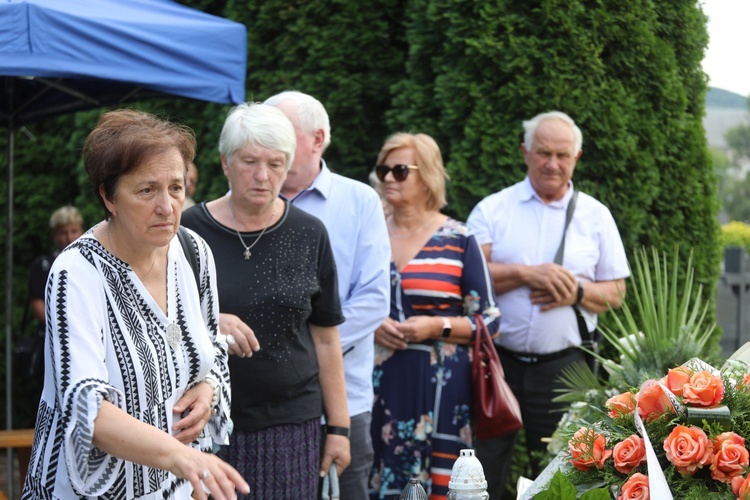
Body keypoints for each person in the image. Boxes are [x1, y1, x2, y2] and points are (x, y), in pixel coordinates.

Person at [21, 109, 249, 499]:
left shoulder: (195, 252)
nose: (167, 206)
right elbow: (89, 410)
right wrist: (183, 458)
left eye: (176, 188)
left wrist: (209, 388)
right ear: (108, 197)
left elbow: (213, 348)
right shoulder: (76, 273)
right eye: (147, 190)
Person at [181, 102, 351, 498]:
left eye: (276, 164)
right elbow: (157, 317)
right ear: (225, 162)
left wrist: (339, 429)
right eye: (249, 161)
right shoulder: (187, 232)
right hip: (203, 423)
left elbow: (326, 339)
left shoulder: (310, 233)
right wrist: (211, 321)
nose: (262, 176)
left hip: (291, 426)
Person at [466, 111, 630, 499]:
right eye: (543, 152)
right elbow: (470, 279)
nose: (552, 163)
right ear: (525, 152)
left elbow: (617, 292)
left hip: (564, 369)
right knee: (481, 469)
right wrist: (526, 274)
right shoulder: (493, 209)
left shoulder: (596, 216)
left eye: (562, 154)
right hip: (496, 364)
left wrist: (574, 292)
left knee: (562, 475)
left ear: (577, 157)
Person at [264, 90, 391, 499]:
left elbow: (374, 300)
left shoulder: (359, 201)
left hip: (342, 401)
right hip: (264, 401)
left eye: (280, 133)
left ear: (317, 140)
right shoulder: (245, 204)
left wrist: (303, 347)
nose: (269, 146)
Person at [368, 132, 500, 500]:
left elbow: (490, 320)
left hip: (441, 387)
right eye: (383, 170)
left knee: (444, 485)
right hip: (377, 382)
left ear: (427, 177)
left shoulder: (459, 238)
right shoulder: (370, 235)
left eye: (399, 170)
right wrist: (371, 324)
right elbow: (339, 304)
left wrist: (435, 326)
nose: (387, 179)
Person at [28, 205, 84, 325]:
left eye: (74, 231)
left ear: (82, 231)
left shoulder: (91, 262)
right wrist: (61, 327)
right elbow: (38, 304)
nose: (69, 237)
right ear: (53, 235)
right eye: (63, 233)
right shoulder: (43, 265)